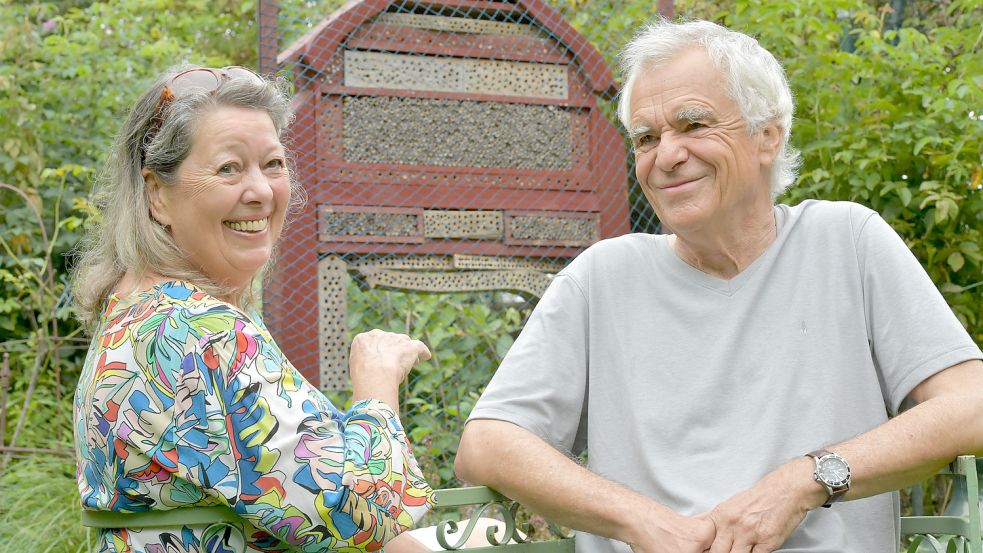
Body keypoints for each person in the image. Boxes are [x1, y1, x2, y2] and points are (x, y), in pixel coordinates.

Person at [455, 18, 983, 553]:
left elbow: (972, 405)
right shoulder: (603, 278)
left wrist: (805, 481)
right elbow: (487, 443)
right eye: (646, 137)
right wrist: (640, 522)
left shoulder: (846, 241)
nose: (666, 156)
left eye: (693, 125)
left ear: (767, 136)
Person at [72, 65, 436, 552]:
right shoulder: (203, 332)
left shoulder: (130, 314)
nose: (262, 192)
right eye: (228, 168)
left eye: (273, 164)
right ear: (158, 195)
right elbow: (370, 512)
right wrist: (376, 383)